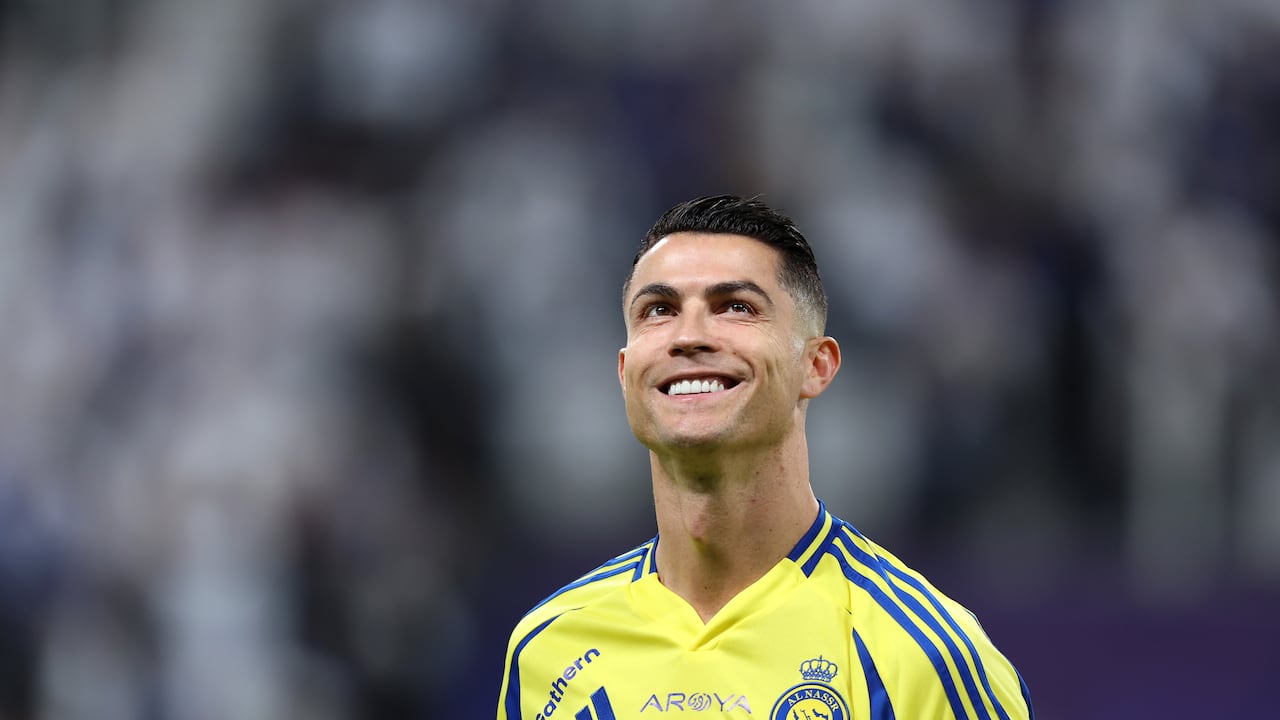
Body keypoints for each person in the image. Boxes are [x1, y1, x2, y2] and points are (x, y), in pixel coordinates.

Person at [497, 195, 1033, 720]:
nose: (688, 336)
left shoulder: (922, 658)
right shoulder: (548, 648)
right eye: (658, 310)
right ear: (624, 373)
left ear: (816, 366)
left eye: (736, 307)